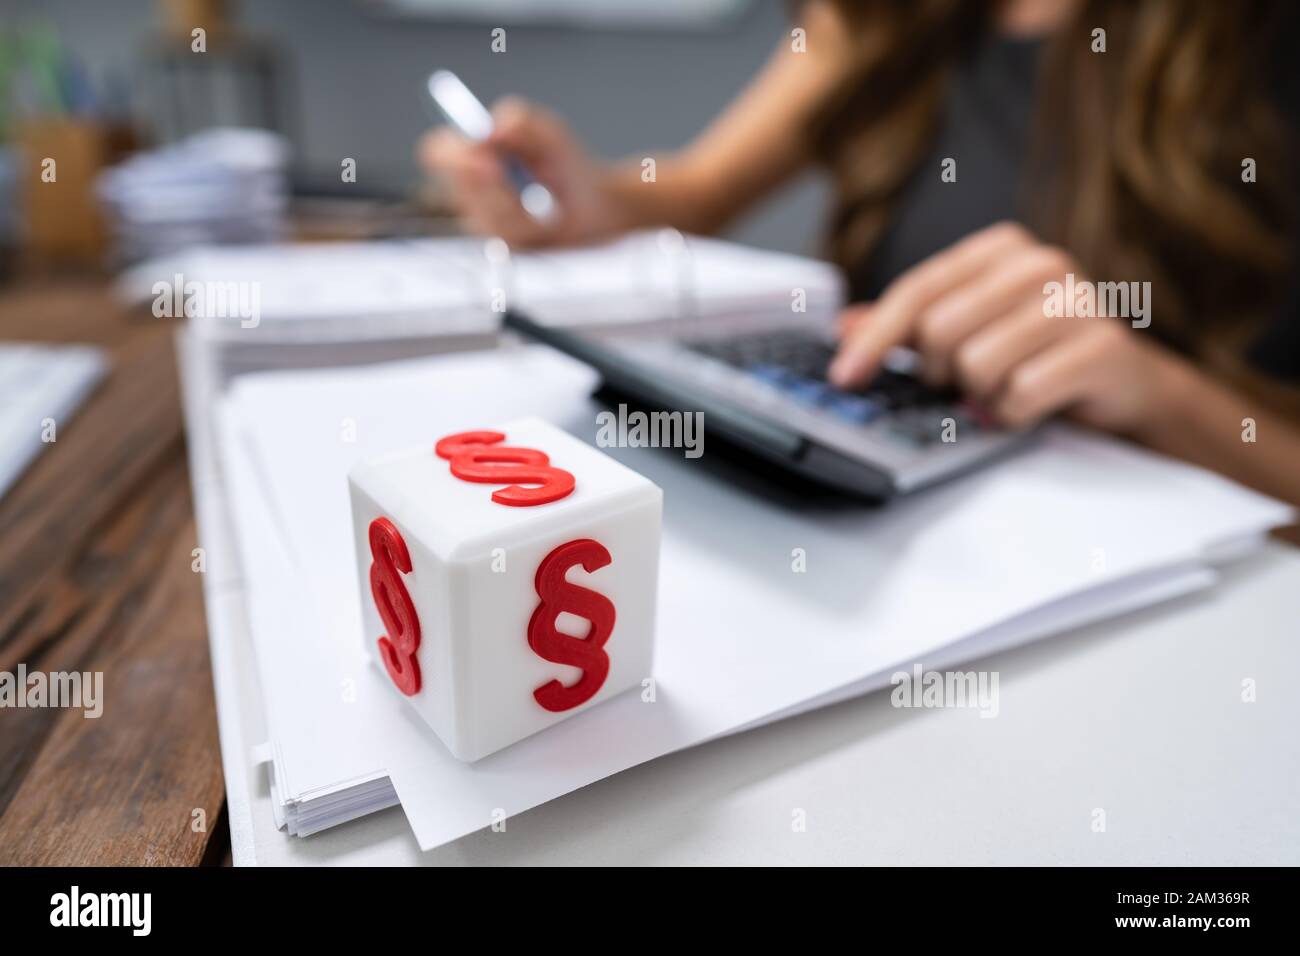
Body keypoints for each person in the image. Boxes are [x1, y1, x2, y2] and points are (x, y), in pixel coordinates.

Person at [421, 0, 1300, 506]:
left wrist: (1161, 396)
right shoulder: (887, 15)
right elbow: (698, 191)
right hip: (888, 517)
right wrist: (585, 197)